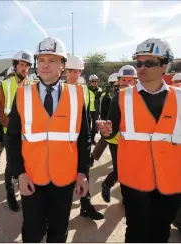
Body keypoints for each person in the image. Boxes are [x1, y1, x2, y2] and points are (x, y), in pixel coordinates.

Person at [8, 37, 90, 242]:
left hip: (64, 180)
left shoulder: (77, 95)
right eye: (41, 59)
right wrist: (19, 173)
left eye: (52, 60)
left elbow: (84, 139)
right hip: (32, 179)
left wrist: (83, 173)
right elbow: (12, 137)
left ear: (63, 66)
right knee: (32, 232)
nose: (45, 64)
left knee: (58, 232)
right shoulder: (22, 94)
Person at [98, 38, 181, 242]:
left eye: (149, 63)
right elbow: (112, 133)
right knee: (136, 231)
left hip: (171, 181)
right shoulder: (121, 98)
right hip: (135, 181)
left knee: (161, 232)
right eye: (139, 63)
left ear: (164, 65)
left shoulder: (180, 98)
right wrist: (107, 132)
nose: (141, 68)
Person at [65, 54, 104, 220]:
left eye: (77, 71)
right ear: (64, 71)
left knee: (85, 174)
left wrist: (87, 142)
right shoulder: (58, 90)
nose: (74, 75)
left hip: (81, 140)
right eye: (70, 71)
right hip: (64, 144)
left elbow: (86, 118)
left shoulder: (83, 91)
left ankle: (86, 206)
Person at [0, 50, 32, 212]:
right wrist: (11, 127)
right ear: (15, 66)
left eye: (27, 66)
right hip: (10, 133)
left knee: (27, 163)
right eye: (21, 65)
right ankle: (10, 194)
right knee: (11, 165)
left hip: (28, 133)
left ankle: (25, 190)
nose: (24, 68)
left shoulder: (32, 85)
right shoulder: (5, 85)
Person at [100, 67, 137, 203]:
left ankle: (126, 198)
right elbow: (109, 120)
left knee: (130, 170)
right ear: (119, 81)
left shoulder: (138, 96)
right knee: (120, 170)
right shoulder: (116, 97)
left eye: (129, 80)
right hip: (116, 140)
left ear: (134, 81)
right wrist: (107, 133)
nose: (126, 82)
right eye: (123, 80)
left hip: (133, 141)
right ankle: (107, 184)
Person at [88, 74, 102, 144]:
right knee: (87, 125)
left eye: (95, 81)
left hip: (96, 110)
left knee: (95, 126)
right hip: (88, 110)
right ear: (90, 82)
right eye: (93, 81)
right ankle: (88, 139)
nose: (94, 83)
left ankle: (92, 139)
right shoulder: (86, 89)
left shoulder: (100, 90)